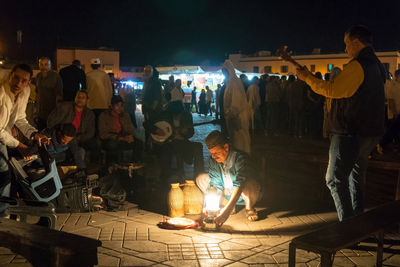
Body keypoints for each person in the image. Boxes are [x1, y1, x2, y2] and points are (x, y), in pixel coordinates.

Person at [296, 25, 386, 221]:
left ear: (356, 42)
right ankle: (358, 221)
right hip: (370, 131)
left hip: (350, 131)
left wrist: (307, 78)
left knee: (335, 180)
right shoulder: (377, 65)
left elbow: (333, 90)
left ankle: (348, 227)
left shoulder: (358, 65)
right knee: (356, 177)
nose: (346, 49)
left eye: (347, 44)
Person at [0, 64, 48, 217]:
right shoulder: (1, 91)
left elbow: (20, 118)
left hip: (3, 135)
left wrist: (35, 134)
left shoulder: (25, 92)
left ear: (28, 83)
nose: (18, 83)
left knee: (9, 172)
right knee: (4, 173)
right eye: (16, 78)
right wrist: (19, 145)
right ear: (10, 76)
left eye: (23, 80)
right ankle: (3, 215)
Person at [196, 130, 261, 226]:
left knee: (249, 183)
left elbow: (239, 184)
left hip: (246, 193)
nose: (213, 156)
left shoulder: (240, 158)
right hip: (228, 192)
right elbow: (215, 184)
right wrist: (209, 206)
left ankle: (249, 207)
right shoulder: (213, 160)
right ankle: (227, 204)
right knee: (201, 178)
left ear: (226, 147)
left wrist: (226, 212)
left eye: (216, 153)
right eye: (211, 153)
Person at [47, 90, 97, 160]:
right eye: (78, 97)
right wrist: (59, 134)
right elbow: (51, 122)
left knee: (82, 151)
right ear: (75, 98)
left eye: (83, 98)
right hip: (61, 138)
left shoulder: (89, 114)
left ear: (87, 100)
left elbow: (90, 132)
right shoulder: (64, 107)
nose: (80, 99)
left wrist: (79, 137)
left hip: (78, 140)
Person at [98, 95, 143, 165]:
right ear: (112, 106)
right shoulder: (104, 115)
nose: (120, 108)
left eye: (121, 105)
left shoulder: (125, 115)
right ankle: (112, 166)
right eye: (117, 105)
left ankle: (133, 165)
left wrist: (130, 136)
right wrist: (119, 137)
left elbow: (131, 128)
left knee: (139, 143)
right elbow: (103, 134)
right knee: (112, 145)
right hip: (111, 139)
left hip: (124, 137)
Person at [223, 60, 251, 154]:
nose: (224, 74)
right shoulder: (229, 82)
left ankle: (243, 158)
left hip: (237, 117)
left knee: (240, 138)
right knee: (235, 139)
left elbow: (237, 101)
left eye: (225, 71)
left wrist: (232, 113)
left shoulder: (234, 82)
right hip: (232, 116)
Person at [35, 57, 63, 130]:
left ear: (50, 65)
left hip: (51, 113)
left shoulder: (56, 77)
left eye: (46, 64)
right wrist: (36, 110)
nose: (43, 67)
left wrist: (57, 113)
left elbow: (59, 95)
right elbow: (37, 93)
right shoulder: (38, 76)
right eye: (41, 64)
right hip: (40, 113)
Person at [380, 69, 400, 151]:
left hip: (398, 112)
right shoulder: (392, 85)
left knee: (394, 131)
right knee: (392, 131)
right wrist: (394, 112)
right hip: (395, 113)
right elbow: (391, 100)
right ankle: (382, 144)